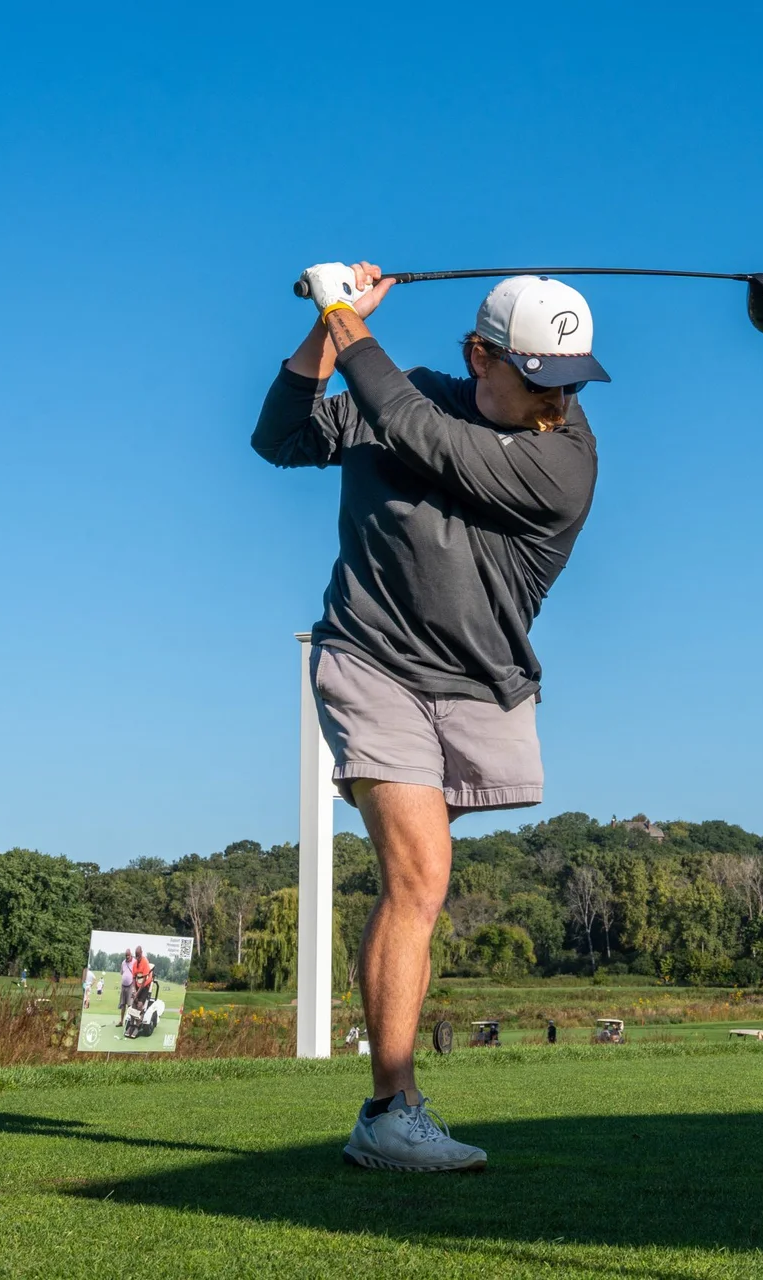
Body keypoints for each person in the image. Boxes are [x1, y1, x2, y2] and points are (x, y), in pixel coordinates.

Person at [253, 262, 605, 1173]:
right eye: (540, 380)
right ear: (481, 355)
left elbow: (415, 431)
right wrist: (325, 335)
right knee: (420, 876)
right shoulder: (402, 394)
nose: (556, 402)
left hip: (482, 682)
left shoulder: (564, 458)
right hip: (370, 661)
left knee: (423, 885)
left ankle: (394, 1105)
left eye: (570, 382)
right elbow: (279, 435)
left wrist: (345, 316)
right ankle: (389, 1109)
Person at [116, 950, 134, 1026]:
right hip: (123, 985)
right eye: (126, 956)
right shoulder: (123, 963)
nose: (127, 957)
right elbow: (121, 972)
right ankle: (121, 1021)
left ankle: (130, 1023)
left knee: (130, 1005)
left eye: (128, 956)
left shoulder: (134, 962)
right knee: (123, 1004)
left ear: (131, 955)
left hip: (131, 986)